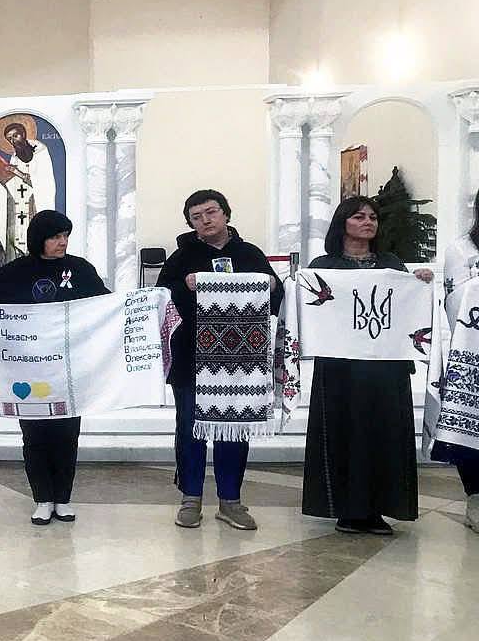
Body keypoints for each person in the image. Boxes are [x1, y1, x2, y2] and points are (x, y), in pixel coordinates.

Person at [301, 197, 432, 534]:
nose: (368, 222)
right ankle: (347, 509)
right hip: (340, 370)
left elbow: (404, 307)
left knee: (383, 435)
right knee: (345, 433)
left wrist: (417, 281)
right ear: (342, 223)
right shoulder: (324, 265)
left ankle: (379, 508)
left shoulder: (391, 264)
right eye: (359, 217)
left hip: (385, 369)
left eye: (372, 217)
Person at [157, 190, 283, 531]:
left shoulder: (250, 254)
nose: (205, 220)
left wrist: (272, 286)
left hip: (240, 363)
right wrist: (183, 286)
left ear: (226, 213)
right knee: (190, 428)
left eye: (211, 212)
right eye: (196, 217)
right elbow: (162, 297)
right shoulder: (181, 257)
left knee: (234, 429)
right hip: (191, 359)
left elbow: (277, 296)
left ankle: (231, 501)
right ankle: (190, 498)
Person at [0, 210, 108, 525]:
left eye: (65, 236)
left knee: (67, 436)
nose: (62, 242)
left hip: (68, 371)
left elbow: (105, 304)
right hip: (27, 370)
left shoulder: (80, 269)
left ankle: (63, 499)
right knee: (34, 436)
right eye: (55, 237)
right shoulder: (18, 270)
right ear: (39, 239)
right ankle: (43, 499)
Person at [436, 190, 479, 532]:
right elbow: (456, 300)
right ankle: (476, 496)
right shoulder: (461, 249)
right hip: (473, 353)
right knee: (470, 428)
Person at [0, 120, 57, 262]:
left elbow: (44, 184)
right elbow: (12, 185)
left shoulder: (41, 152)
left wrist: (17, 173)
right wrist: (1, 176)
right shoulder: (14, 157)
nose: (13, 141)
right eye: (10, 139)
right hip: (17, 209)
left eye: (15, 136)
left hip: (35, 206)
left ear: (24, 134)